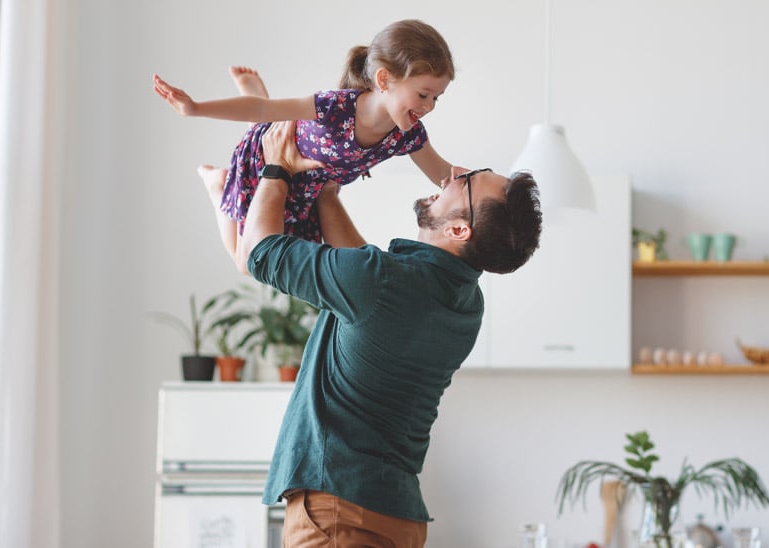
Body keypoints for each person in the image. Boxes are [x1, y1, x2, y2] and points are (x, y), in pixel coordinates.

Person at [228, 118, 542, 547]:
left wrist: (275, 168)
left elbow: (258, 253)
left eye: (466, 181)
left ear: (457, 229)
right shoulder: (465, 304)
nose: (452, 173)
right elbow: (362, 272)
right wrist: (325, 192)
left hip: (339, 512)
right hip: (395, 516)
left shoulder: (380, 283)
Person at [153, 18, 457, 265]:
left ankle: (253, 88)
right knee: (247, 264)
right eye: (422, 95)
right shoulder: (335, 107)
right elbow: (264, 112)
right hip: (267, 162)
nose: (428, 106)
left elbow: (447, 175)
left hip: (304, 193)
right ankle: (217, 185)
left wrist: (501, 187)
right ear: (383, 80)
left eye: (436, 98)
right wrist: (195, 108)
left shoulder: (408, 135)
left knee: (275, 261)